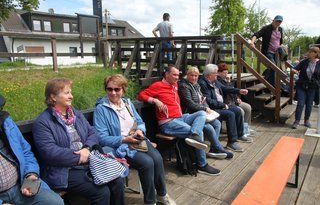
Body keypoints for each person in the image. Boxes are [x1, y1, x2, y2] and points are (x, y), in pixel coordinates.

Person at [32, 78, 125, 205]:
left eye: (70, 92)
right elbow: (49, 152)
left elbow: (92, 133)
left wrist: (87, 148)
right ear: (53, 97)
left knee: (117, 180)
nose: (71, 96)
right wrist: (79, 157)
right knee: (101, 192)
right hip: (63, 170)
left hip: (88, 161)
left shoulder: (75, 114)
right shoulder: (43, 122)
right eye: (66, 93)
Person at [93, 74, 176, 205]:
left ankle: (161, 194)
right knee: (147, 163)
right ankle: (150, 201)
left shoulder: (127, 103)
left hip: (137, 140)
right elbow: (102, 138)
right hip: (120, 147)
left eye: (117, 89)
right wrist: (125, 139)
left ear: (123, 89)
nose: (113, 93)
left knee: (158, 159)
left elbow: (140, 121)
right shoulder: (101, 109)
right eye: (109, 89)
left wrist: (140, 130)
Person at [138, 65, 221, 176]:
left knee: (201, 114)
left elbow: (189, 84)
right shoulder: (158, 85)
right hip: (168, 122)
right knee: (196, 131)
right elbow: (141, 95)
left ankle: (195, 135)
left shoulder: (175, 85)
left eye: (178, 75)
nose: (177, 77)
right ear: (166, 74)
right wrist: (155, 100)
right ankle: (202, 165)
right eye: (174, 75)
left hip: (180, 118)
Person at [0, 94, 64, 205]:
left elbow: (25, 151)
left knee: (54, 202)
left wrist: (30, 175)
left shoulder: (5, 122)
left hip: (20, 185)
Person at [178, 67, 233, 159]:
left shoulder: (196, 85)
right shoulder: (184, 86)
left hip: (201, 112)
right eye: (191, 75)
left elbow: (204, 100)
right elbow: (190, 104)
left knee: (217, 123)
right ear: (187, 75)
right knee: (209, 127)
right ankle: (218, 148)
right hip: (190, 114)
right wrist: (205, 109)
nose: (194, 78)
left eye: (196, 76)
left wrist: (207, 108)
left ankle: (214, 149)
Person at [199, 64, 252, 153]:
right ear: (209, 74)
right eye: (215, 73)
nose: (217, 75)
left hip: (221, 105)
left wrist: (239, 91)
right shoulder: (203, 83)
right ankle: (231, 142)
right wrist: (222, 105)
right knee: (230, 114)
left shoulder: (214, 81)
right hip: (213, 108)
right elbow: (208, 100)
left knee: (237, 111)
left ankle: (240, 134)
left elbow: (225, 88)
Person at [217, 63, 255, 137]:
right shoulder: (218, 81)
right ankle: (239, 131)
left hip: (233, 101)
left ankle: (246, 127)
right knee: (241, 111)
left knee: (248, 107)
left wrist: (237, 98)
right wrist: (230, 84)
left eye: (227, 72)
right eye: (224, 73)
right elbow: (227, 90)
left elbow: (233, 90)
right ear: (219, 73)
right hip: (227, 102)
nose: (226, 74)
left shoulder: (226, 80)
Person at [250, 15, 284, 86]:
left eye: (279, 22)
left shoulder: (280, 29)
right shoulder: (266, 28)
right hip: (268, 52)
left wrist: (281, 47)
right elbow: (256, 35)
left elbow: (280, 41)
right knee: (274, 67)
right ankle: (273, 87)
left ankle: (268, 83)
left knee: (274, 69)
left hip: (277, 53)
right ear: (273, 20)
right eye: (277, 21)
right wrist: (252, 42)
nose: (278, 23)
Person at [292, 47, 320, 129]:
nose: (309, 53)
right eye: (309, 51)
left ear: (316, 54)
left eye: (311, 52)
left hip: (313, 87)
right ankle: (296, 121)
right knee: (300, 103)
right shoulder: (304, 62)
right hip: (301, 86)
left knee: (309, 104)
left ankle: (306, 120)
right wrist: (294, 71)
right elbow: (295, 69)